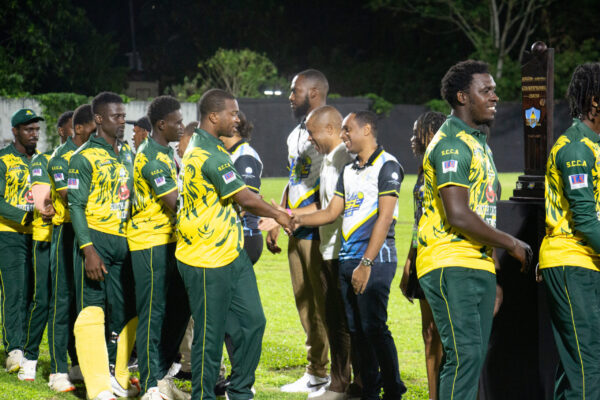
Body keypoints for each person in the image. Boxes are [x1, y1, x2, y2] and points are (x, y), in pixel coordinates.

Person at [416, 60, 532, 400]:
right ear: (463, 97)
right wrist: (512, 244)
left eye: (494, 90)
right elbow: (458, 214)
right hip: (450, 261)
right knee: (464, 357)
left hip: (475, 264)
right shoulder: (452, 143)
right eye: (486, 91)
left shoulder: (477, 141)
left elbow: (484, 213)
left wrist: (492, 270)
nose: (495, 96)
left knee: (472, 357)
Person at [176, 88, 293, 400]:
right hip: (204, 257)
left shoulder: (211, 147)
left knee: (253, 321)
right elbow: (244, 198)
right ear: (214, 116)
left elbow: (234, 197)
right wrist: (279, 215)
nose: (238, 118)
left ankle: (240, 392)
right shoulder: (208, 153)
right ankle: (204, 395)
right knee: (210, 335)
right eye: (233, 113)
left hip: (230, 251)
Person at [294, 110, 407, 400]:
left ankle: (393, 390)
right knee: (356, 330)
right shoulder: (349, 170)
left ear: (367, 130)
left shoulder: (388, 165)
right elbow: (332, 212)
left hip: (375, 260)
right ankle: (369, 390)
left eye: (348, 130)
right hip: (347, 259)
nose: (343, 135)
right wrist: (295, 218)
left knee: (374, 327)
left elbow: (385, 218)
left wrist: (366, 263)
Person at [68, 92, 139, 400]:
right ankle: (97, 387)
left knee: (124, 310)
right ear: (98, 119)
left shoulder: (128, 154)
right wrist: (88, 250)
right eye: (116, 116)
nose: (122, 121)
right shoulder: (82, 157)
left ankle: (117, 375)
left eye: (124, 116)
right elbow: (75, 206)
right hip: (96, 240)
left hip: (126, 241)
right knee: (92, 311)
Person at [539, 62, 600, 399]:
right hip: (572, 260)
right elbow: (586, 220)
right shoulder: (576, 148)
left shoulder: (593, 144)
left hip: (586, 261)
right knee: (588, 364)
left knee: (577, 364)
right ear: (595, 101)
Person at [268, 69, 331, 393]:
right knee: (305, 302)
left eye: (295, 91)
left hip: (318, 230)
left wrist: (292, 215)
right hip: (295, 227)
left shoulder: (331, 130)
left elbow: (331, 192)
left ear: (314, 93)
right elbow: (295, 178)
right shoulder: (296, 133)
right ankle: (316, 372)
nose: (290, 97)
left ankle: (337, 373)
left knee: (325, 304)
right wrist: (279, 216)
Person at [291, 105, 357, 400]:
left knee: (345, 321)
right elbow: (326, 206)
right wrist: (289, 215)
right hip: (329, 249)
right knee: (335, 318)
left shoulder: (345, 159)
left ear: (331, 129)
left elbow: (334, 210)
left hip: (344, 252)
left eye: (312, 132)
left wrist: (291, 217)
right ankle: (343, 383)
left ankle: (347, 384)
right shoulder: (330, 159)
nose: (308, 138)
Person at [127, 96, 191, 400]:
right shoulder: (151, 156)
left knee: (175, 310)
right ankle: (151, 383)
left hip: (169, 241)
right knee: (152, 314)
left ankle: (161, 378)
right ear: (162, 124)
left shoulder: (166, 152)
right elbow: (175, 202)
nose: (182, 126)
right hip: (150, 243)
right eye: (177, 122)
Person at [45, 103, 96, 392]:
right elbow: (70, 195)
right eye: (93, 129)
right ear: (79, 129)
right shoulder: (59, 158)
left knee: (85, 304)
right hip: (66, 233)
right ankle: (57, 370)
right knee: (62, 302)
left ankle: (80, 363)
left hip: (91, 232)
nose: (98, 134)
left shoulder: (94, 155)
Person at [398, 111, 445, 400]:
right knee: (429, 333)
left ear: (433, 132)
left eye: (418, 131)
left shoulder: (446, 165)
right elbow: (419, 220)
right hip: (422, 254)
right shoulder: (421, 169)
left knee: (445, 335)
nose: (413, 137)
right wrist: (409, 260)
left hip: (444, 256)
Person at [0, 108, 40, 372]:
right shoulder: (3, 160)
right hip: (9, 234)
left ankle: (25, 345)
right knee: (14, 291)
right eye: (28, 129)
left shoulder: (41, 161)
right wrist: (23, 217)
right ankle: (13, 348)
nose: (34, 134)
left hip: (37, 236)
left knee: (31, 293)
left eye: (36, 129)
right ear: (15, 131)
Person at [18, 138, 56, 382]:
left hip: (68, 239)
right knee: (42, 300)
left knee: (64, 305)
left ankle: (66, 365)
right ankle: (30, 357)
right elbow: (43, 204)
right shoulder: (44, 160)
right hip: (44, 239)